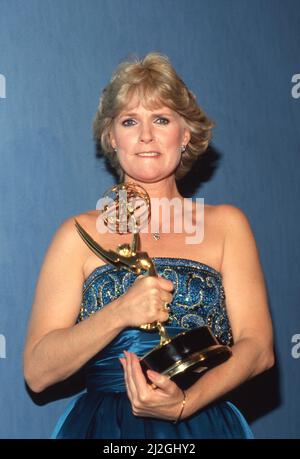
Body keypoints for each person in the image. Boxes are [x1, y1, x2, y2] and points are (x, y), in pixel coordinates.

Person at [23, 52, 274, 439]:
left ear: (185, 133)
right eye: (129, 121)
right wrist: (121, 311)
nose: (145, 135)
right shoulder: (77, 234)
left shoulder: (227, 225)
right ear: (112, 137)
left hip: (204, 422)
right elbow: (38, 372)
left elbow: (257, 348)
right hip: (103, 429)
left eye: (161, 119)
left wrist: (185, 404)